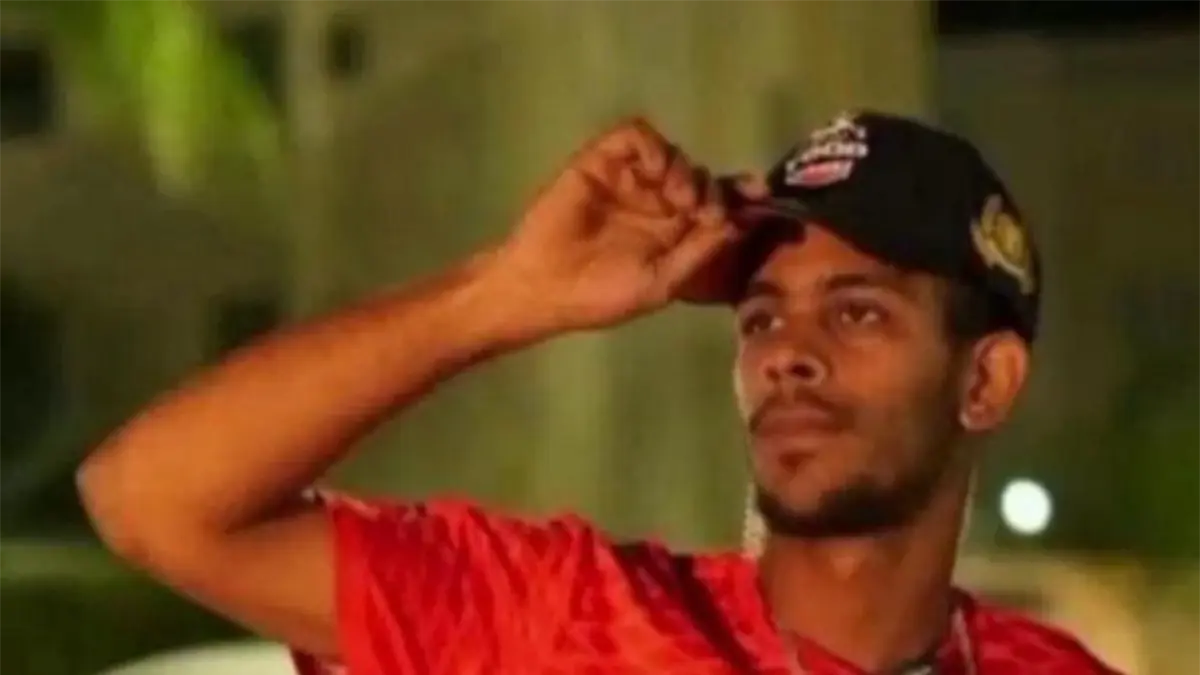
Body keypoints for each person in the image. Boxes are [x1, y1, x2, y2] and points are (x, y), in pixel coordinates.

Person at [78, 110, 1120, 674]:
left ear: (985, 379)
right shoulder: (562, 621)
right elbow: (149, 500)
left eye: (856, 314)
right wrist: (503, 295)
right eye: (761, 317)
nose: (787, 354)